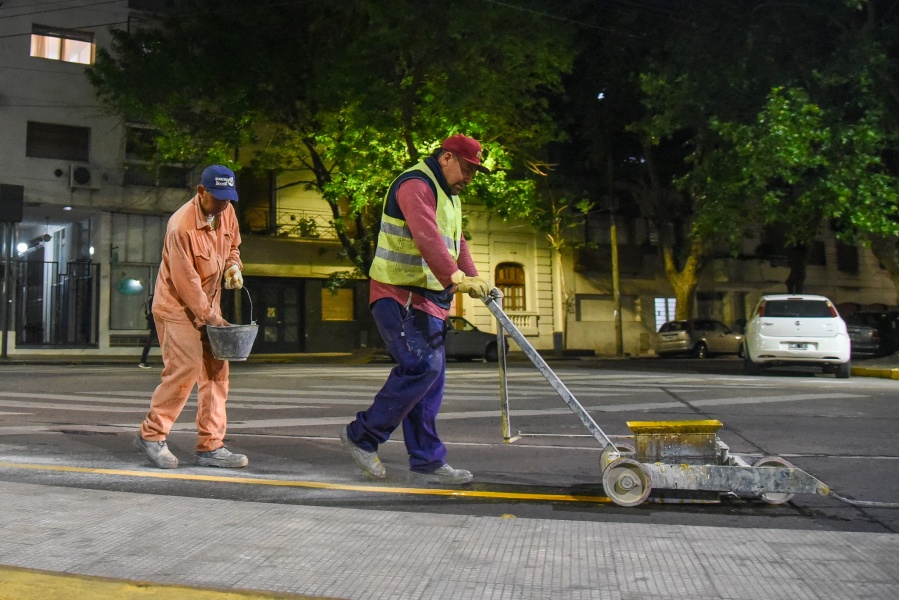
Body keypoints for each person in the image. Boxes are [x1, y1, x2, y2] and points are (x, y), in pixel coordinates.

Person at [340, 134, 492, 485]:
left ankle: (427, 461)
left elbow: (456, 241)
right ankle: (361, 436)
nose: (470, 177)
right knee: (421, 368)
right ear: (446, 158)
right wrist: (455, 277)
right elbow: (426, 238)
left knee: (431, 381)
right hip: (399, 295)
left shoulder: (450, 196)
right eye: (468, 169)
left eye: (475, 171)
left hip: (430, 300)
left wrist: (474, 278)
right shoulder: (414, 185)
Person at [134, 164, 247, 470]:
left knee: (216, 374)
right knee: (185, 368)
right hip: (177, 309)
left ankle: (211, 446)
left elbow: (233, 245)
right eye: (219, 197)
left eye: (229, 198)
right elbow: (187, 285)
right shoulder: (180, 227)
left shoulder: (227, 212)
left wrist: (233, 266)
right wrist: (213, 319)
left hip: (209, 308)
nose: (224, 204)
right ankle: (151, 435)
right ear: (202, 191)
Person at [138, 293, 157, 369]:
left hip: (154, 321)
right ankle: (143, 360)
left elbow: (147, 312)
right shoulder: (156, 298)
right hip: (157, 322)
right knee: (151, 341)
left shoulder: (151, 298)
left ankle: (143, 360)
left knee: (151, 341)